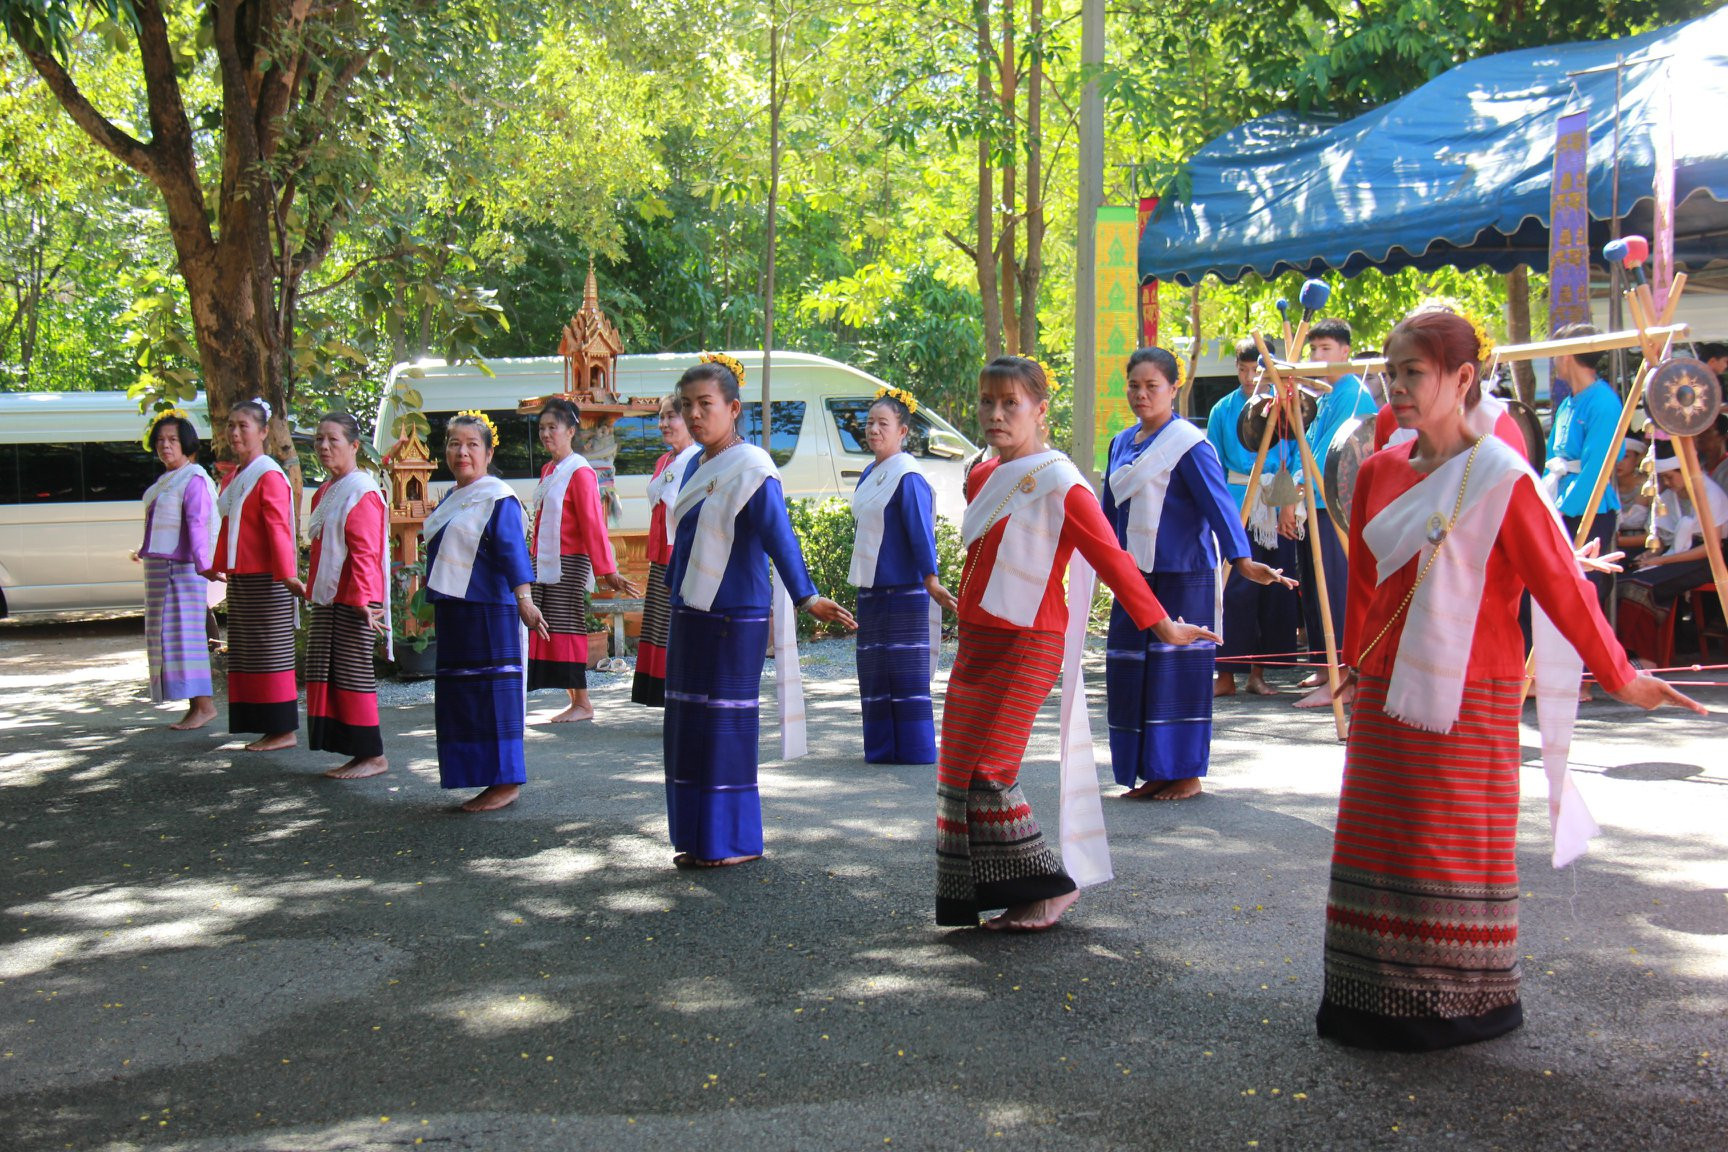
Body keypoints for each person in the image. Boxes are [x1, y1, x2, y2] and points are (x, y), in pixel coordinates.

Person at [1318, 308, 1703, 1052]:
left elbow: (1563, 586)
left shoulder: (1502, 475)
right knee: (1381, 843)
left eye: (1414, 372)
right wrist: (1358, 667)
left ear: (1462, 379)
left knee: (1449, 843)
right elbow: (1366, 585)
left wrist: (1623, 678)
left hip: (1475, 689)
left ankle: (1461, 1004)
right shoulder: (1375, 473)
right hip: (1386, 687)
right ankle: (1370, 998)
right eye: (1390, 372)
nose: (1396, 386)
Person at [937, 355, 1219, 933]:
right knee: (958, 772)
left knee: (991, 771)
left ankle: (1050, 891)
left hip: (1030, 642)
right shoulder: (981, 476)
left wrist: (1161, 623)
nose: (996, 414)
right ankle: (993, 895)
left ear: (1040, 411)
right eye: (987, 402)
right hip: (976, 643)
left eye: (1010, 403)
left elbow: (1110, 556)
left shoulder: (1061, 480)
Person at [664, 354, 856, 868]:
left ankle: (733, 843)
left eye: (706, 404)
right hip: (690, 611)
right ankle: (698, 838)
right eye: (688, 406)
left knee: (724, 727)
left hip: (733, 616)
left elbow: (779, 536)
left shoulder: (752, 467)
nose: (696, 415)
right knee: (689, 724)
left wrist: (806, 595)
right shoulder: (695, 467)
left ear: (733, 408)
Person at [1102, 347, 1294, 801]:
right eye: (1134, 385)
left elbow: (1219, 505)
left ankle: (1185, 773)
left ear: (1173, 388)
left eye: (1152, 386)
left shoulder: (1188, 444)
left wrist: (1243, 560)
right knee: (1132, 671)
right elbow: (1108, 515)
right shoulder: (1119, 443)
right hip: (1134, 576)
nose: (1141, 395)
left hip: (1184, 575)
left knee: (1176, 675)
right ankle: (1150, 772)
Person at [422, 411, 550, 812]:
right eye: (454, 444)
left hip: (490, 614)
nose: (462, 452)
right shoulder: (452, 499)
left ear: (488, 452)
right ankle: (477, 776)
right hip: (456, 614)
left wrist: (525, 601)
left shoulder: (498, 498)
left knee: (493, 697)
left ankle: (505, 781)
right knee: (462, 698)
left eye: (472, 445)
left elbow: (513, 550)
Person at [849, 387, 956, 765]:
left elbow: (920, 530)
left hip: (906, 588)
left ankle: (913, 748)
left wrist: (931, 578)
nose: (874, 430)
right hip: (872, 588)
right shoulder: (869, 473)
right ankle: (881, 748)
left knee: (906, 673)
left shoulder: (908, 476)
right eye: (870, 423)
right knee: (875, 669)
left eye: (883, 424)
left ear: (903, 432)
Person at [526, 397, 638, 722]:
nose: (547, 434)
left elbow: (593, 525)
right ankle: (574, 700)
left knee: (568, 627)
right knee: (551, 628)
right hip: (545, 560)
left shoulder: (580, 472)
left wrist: (608, 570)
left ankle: (583, 702)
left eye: (553, 427)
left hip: (569, 562)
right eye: (542, 428)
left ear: (571, 431)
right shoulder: (550, 469)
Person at [1207, 337, 1302, 697]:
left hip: (1277, 500)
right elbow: (1213, 464)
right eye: (1243, 370)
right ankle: (1227, 674)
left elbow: (1294, 458)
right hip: (1236, 502)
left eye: (1257, 370)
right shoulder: (1221, 410)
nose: (1249, 378)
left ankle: (1259, 673)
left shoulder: (1286, 407)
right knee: (1235, 590)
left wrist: (1289, 504)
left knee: (1275, 588)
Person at [207, 398, 301, 751]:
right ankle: (265, 725)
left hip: (269, 576)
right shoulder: (236, 475)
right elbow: (229, 526)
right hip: (244, 574)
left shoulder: (269, 474)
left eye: (243, 426)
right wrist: (217, 563)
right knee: (249, 651)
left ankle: (282, 730)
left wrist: (287, 574)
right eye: (231, 425)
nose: (234, 432)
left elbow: (278, 528)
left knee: (270, 650)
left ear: (263, 432)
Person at [301, 413, 390, 779]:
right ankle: (354, 752)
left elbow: (365, 551)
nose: (323, 446)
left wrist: (363, 602)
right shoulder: (326, 490)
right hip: (329, 598)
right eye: (319, 439)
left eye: (333, 440)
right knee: (330, 676)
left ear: (354, 446)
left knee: (354, 676)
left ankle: (372, 756)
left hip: (354, 601)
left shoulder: (362, 490)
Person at [1294, 318, 1376, 690]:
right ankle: (1325, 664)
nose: (1317, 356)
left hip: (1337, 504)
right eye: (1313, 350)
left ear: (1346, 351)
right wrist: (1293, 491)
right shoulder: (1326, 395)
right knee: (1312, 585)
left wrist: (1300, 486)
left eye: (1325, 349)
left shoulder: (1353, 393)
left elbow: (1332, 452)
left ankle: (1344, 670)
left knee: (1335, 585)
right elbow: (1303, 445)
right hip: (1312, 500)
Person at [137, 410, 218, 730]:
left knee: (185, 636)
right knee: (166, 638)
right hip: (160, 568)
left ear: (187, 444)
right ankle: (193, 704)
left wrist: (204, 566)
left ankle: (204, 705)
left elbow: (198, 525)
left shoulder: (193, 478)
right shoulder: (167, 479)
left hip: (181, 569)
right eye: (160, 440)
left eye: (172, 440)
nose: (165, 446)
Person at [1615, 440, 1728, 665]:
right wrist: (1650, 555)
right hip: (1676, 554)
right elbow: (1662, 536)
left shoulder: (1709, 494)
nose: (1667, 483)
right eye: (1663, 478)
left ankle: (1645, 658)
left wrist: (1664, 561)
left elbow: (1710, 548)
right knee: (1622, 580)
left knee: (1639, 587)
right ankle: (1625, 656)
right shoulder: (1669, 495)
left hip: (1708, 559)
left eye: (1670, 477)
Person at [1544, 323, 1625, 614]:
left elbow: (1598, 466)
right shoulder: (1568, 403)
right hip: (1560, 501)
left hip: (1589, 509)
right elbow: (1552, 458)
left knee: (1584, 597)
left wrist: (1563, 508)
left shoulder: (1603, 402)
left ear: (1566, 356)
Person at [632, 395, 699, 707]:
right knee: (660, 626)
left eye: (670, 416)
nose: (663, 424)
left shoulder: (699, 459)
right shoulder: (664, 461)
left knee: (679, 627)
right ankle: (666, 695)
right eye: (660, 417)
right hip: (659, 555)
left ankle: (686, 694)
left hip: (682, 555)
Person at [1614, 435, 1652, 557]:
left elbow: (1655, 537)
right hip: (1610, 548)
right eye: (1615, 456)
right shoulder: (1604, 487)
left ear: (1637, 459)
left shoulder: (1648, 487)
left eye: (1625, 456)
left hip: (1641, 550)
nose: (1619, 462)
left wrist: (1617, 541)